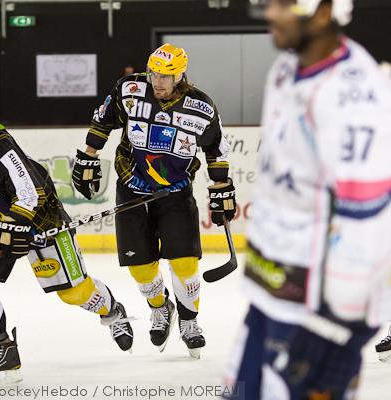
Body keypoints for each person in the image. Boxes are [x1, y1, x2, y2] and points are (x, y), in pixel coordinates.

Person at [226, 1, 391, 398]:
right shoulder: (285, 67)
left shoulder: (352, 96)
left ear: (322, 12)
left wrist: (337, 327)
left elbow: (365, 218)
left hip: (316, 311)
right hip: (271, 290)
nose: (271, 14)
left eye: (284, 5)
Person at [0, 93, 134, 383]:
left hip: (41, 218)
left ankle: (113, 312)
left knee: (74, 293)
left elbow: (30, 190)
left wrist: (16, 226)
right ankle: (3, 348)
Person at [71, 44, 236, 358]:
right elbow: (104, 121)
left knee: (185, 263)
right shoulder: (130, 90)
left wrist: (221, 187)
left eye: (167, 75)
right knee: (140, 267)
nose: (159, 81)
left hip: (175, 192)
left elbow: (215, 148)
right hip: (132, 189)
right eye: (155, 73)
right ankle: (161, 308)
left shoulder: (200, 107)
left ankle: (189, 321)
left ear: (180, 75)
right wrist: (89, 157)